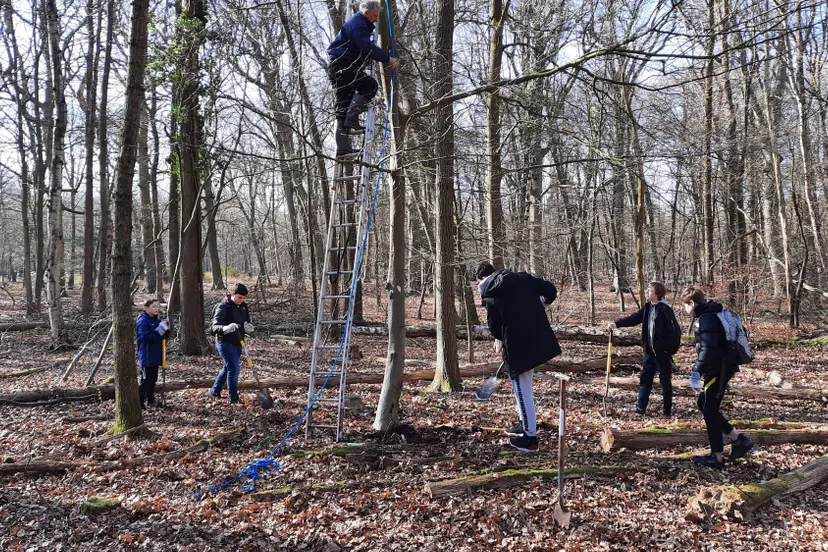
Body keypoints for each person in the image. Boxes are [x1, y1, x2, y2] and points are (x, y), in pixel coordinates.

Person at [475, 261, 562, 452]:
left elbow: (495, 327)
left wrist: (499, 338)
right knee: (521, 387)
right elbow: (551, 290)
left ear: (480, 279)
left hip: (518, 347)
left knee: (522, 389)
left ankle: (530, 438)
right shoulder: (523, 278)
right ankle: (524, 424)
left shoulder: (489, 293)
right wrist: (539, 306)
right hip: (536, 338)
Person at [681, 285, 754, 469]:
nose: (685, 309)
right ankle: (738, 439)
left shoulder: (706, 319)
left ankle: (717, 457)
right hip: (720, 367)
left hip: (718, 370)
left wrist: (696, 374)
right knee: (704, 405)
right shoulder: (712, 313)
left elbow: (708, 350)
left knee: (710, 410)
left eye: (685, 305)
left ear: (691, 303)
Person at [328, 0, 398, 156]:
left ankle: (342, 147)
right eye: (374, 16)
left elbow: (358, 47)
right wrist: (387, 58)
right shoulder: (359, 24)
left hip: (337, 67)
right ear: (366, 13)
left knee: (342, 106)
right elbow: (366, 47)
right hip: (343, 66)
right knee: (370, 86)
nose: (376, 19)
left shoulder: (356, 23)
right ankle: (352, 117)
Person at [607, 282, 681, 417]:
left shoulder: (665, 309)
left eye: (650, 291)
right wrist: (616, 323)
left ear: (658, 293)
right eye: (647, 290)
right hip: (649, 353)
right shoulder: (647, 308)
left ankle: (667, 412)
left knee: (665, 382)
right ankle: (640, 409)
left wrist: (669, 350)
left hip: (662, 354)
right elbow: (634, 318)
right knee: (645, 380)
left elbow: (675, 332)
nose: (647, 292)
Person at [210, 283, 254, 404]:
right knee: (234, 369)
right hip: (224, 342)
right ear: (233, 294)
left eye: (244, 298)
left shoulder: (243, 306)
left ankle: (214, 390)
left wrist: (248, 327)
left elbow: (246, 322)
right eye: (240, 297)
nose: (242, 300)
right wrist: (225, 328)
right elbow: (213, 328)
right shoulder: (223, 307)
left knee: (227, 368)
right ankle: (233, 397)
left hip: (238, 341)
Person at [136, 298, 169, 409]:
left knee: (153, 380)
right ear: (146, 308)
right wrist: (158, 330)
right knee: (145, 380)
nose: (156, 309)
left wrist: (165, 329)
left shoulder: (156, 320)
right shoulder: (143, 321)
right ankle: (140, 402)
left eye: (157, 306)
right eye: (153, 306)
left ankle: (150, 400)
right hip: (146, 356)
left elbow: (163, 337)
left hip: (156, 355)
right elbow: (145, 337)